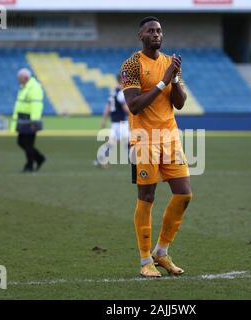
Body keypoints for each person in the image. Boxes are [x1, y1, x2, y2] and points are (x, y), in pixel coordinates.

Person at [120, 16, 193, 278]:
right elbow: (134, 105)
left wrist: (173, 79)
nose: (156, 34)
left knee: (184, 194)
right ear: (141, 35)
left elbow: (180, 103)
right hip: (143, 139)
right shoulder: (131, 65)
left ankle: (161, 252)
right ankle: (144, 260)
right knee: (147, 198)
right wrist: (162, 80)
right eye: (151, 30)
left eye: (159, 30)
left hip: (170, 138)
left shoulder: (170, 64)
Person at [11, 68, 46, 173]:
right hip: (23, 119)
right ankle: (39, 158)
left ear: (25, 78)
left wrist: (34, 122)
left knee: (27, 143)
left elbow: (36, 105)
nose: (18, 80)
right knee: (22, 142)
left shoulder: (34, 88)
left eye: (19, 78)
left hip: (29, 120)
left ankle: (29, 165)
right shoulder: (24, 87)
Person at [93, 74, 130, 168]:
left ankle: (101, 157)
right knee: (129, 141)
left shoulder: (113, 92)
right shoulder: (121, 93)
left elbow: (108, 107)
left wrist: (104, 120)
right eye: (126, 79)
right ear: (122, 80)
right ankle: (134, 161)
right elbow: (125, 107)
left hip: (114, 122)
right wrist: (134, 114)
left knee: (112, 143)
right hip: (122, 122)